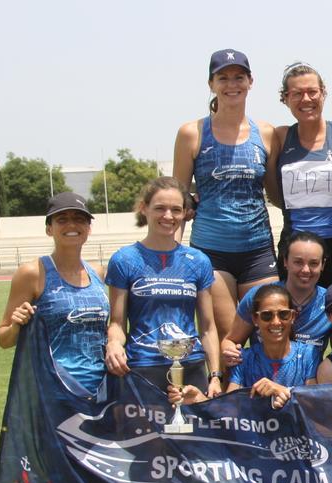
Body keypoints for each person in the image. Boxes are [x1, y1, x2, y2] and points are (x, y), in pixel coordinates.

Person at [0, 192, 125, 483]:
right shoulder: (34, 272)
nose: (72, 225)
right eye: (62, 219)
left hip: (99, 399)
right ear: (49, 227)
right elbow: (2, 337)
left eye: (79, 219)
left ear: (89, 227)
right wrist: (15, 319)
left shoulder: (98, 273)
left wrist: (114, 340)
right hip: (56, 401)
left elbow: (113, 324)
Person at [173, 49, 277, 339]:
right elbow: (177, 201)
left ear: (250, 81)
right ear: (211, 84)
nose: (232, 84)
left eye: (239, 77)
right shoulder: (191, 133)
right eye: (224, 78)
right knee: (227, 337)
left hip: (258, 250)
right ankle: (225, 385)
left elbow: (276, 194)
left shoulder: (266, 133)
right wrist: (169, 257)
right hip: (211, 251)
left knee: (270, 335)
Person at [104, 178, 221, 400]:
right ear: (144, 208)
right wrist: (113, 344)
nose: (168, 216)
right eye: (160, 208)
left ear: (185, 213)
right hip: (142, 365)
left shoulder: (198, 261)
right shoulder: (124, 259)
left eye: (176, 209)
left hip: (191, 365)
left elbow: (207, 327)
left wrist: (215, 375)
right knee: (144, 436)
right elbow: (117, 323)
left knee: (192, 434)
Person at [265, 62, 332, 287]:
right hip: (295, 244)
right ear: (285, 99)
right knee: (294, 315)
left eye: (312, 92)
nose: (306, 99)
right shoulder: (279, 137)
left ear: (323, 94)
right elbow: (275, 195)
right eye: (297, 93)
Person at [174, 285, 319, 410]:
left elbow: (314, 406)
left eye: (283, 314)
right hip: (256, 440)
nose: (276, 322)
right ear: (255, 319)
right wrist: (201, 400)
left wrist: (283, 391)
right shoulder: (244, 359)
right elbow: (229, 409)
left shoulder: (308, 354)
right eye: (267, 316)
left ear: (293, 316)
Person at [221, 232, 332, 370]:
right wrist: (230, 352)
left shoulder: (331, 302)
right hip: (260, 383)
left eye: (314, 263)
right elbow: (231, 340)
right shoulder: (259, 295)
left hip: (307, 386)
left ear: (323, 264)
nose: (305, 270)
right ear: (285, 261)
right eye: (298, 262)